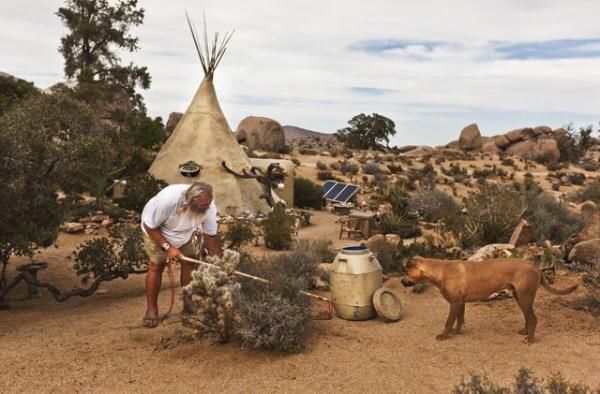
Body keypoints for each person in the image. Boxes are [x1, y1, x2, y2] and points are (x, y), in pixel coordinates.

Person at [140, 181, 223, 328]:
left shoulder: (208, 207)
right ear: (191, 201)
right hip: (157, 232)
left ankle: (188, 301)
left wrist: (221, 262)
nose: (207, 208)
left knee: (190, 262)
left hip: (184, 233)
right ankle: (151, 309)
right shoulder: (168, 201)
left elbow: (210, 236)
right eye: (204, 205)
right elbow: (150, 226)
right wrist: (168, 247)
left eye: (208, 204)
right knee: (156, 266)